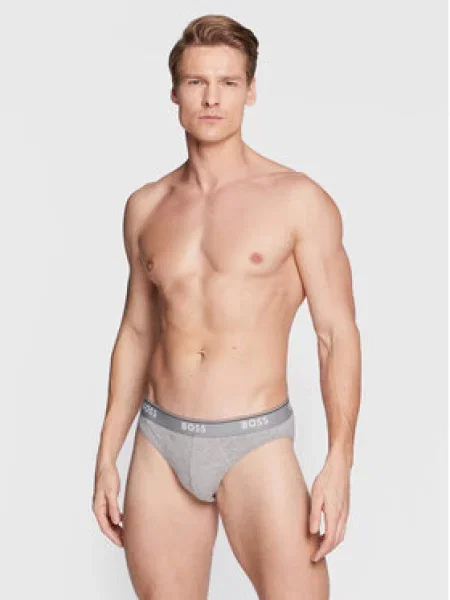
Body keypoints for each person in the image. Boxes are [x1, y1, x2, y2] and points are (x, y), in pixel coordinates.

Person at [92, 13, 361, 600]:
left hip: (255, 441)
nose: (212, 98)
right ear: (175, 92)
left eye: (228, 83)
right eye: (196, 82)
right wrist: (107, 453)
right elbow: (136, 332)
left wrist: (339, 462)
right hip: (160, 442)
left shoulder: (298, 200)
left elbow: (335, 335)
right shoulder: (146, 207)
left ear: (251, 91)